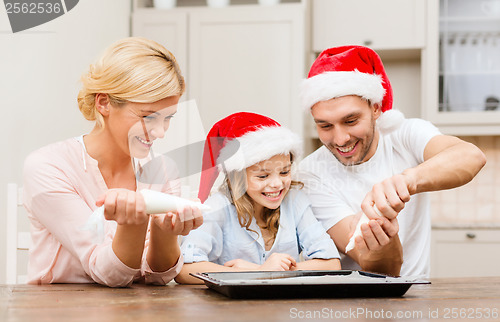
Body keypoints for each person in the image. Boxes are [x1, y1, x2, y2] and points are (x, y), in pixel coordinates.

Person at [22, 37, 203, 287]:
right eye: (148, 116)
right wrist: (134, 223)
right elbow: (108, 273)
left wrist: (166, 232)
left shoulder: (162, 169)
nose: (160, 132)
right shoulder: (48, 166)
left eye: (167, 118)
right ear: (104, 102)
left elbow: (158, 276)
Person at [297, 45, 486, 277]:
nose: (340, 138)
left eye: (351, 120)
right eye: (325, 125)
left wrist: (407, 181)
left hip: (417, 298)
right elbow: (374, 266)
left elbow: (470, 156)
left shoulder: (405, 134)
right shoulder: (310, 174)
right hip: (348, 304)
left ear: (376, 108)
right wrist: (382, 236)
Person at [175, 112, 341, 284]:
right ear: (237, 177)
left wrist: (268, 272)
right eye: (262, 176)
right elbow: (185, 270)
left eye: (284, 172)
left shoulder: (295, 200)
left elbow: (331, 263)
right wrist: (261, 271)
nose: (277, 184)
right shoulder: (218, 206)